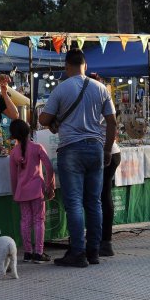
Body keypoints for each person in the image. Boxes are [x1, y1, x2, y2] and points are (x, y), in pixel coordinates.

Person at [38, 48, 116, 268]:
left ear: (66, 66)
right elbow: (112, 122)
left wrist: (56, 118)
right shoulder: (101, 88)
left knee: (74, 203)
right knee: (94, 202)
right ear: (86, 65)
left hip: (71, 149)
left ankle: (78, 253)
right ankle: (94, 251)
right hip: (96, 148)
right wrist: (108, 149)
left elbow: (44, 118)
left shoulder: (61, 88)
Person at [8, 119, 55, 263]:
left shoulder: (13, 152)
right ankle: (39, 253)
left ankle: (27, 252)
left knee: (25, 221)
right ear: (29, 131)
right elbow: (49, 167)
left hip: (22, 192)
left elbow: (13, 176)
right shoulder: (37, 147)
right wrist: (50, 186)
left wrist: (15, 192)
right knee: (39, 220)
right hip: (37, 191)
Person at [87, 73, 122, 257]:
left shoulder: (95, 100)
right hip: (111, 151)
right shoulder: (104, 97)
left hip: (104, 151)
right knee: (103, 196)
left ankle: (102, 240)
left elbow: (112, 124)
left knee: (98, 198)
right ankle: (104, 240)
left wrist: (106, 149)